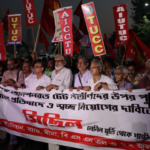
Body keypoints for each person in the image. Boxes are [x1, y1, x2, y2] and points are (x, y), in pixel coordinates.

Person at [46, 55, 73, 150]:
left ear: (64, 63)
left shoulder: (68, 71)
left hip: (63, 105)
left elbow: (67, 88)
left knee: (63, 128)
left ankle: (68, 146)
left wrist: (54, 86)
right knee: (53, 128)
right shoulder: (53, 72)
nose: (56, 62)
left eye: (59, 61)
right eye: (56, 60)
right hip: (53, 104)